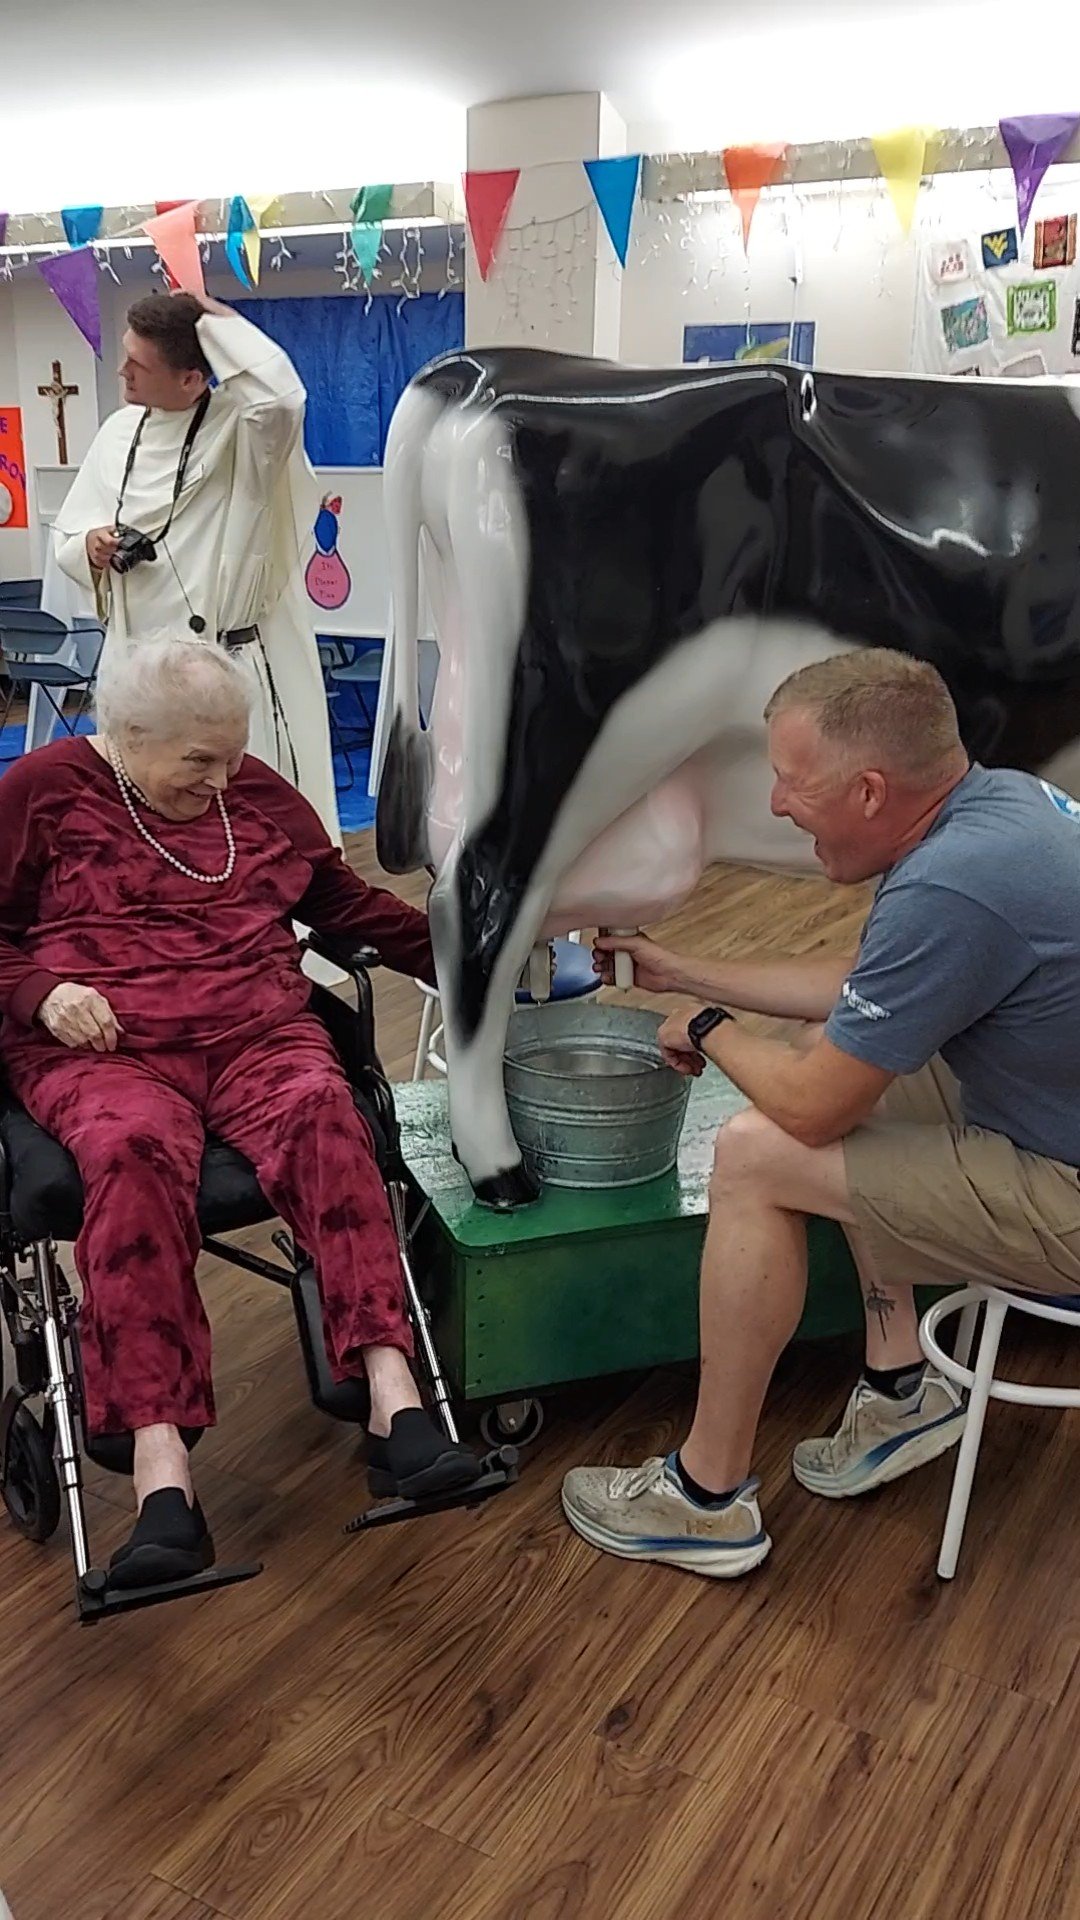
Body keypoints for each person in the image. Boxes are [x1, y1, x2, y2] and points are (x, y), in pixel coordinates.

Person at [563, 648, 1080, 1577]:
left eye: (792, 782)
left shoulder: (951, 881)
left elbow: (808, 1112)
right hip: (1049, 1119)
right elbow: (874, 984)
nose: (775, 805)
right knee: (835, 1053)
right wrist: (682, 971)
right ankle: (900, 1384)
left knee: (758, 1152)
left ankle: (705, 1499)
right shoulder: (996, 806)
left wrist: (707, 1026)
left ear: (872, 792)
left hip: (1069, 1193)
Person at [0, 638, 478, 1590]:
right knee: (132, 1156)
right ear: (126, 735)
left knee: (326, 1116)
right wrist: (41, 992)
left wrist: (477, 954)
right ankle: (161, 1475)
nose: (224, 781)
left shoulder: (254, 795)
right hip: (106, 1048)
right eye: (199, 761)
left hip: (258, 1030)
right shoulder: (41, 793)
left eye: (234, 754)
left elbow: (343, 905)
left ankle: (394, 1399)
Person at [52, 289, 337, 835]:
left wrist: (218, 323)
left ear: (190, 378)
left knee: (237, 825)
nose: (122, 372)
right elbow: (72, 526)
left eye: (138, 363)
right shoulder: (117, 432)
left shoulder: (244, 431)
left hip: (221, 668)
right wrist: (90, 544)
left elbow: (281, 399)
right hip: (135, 668)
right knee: (138, 821)